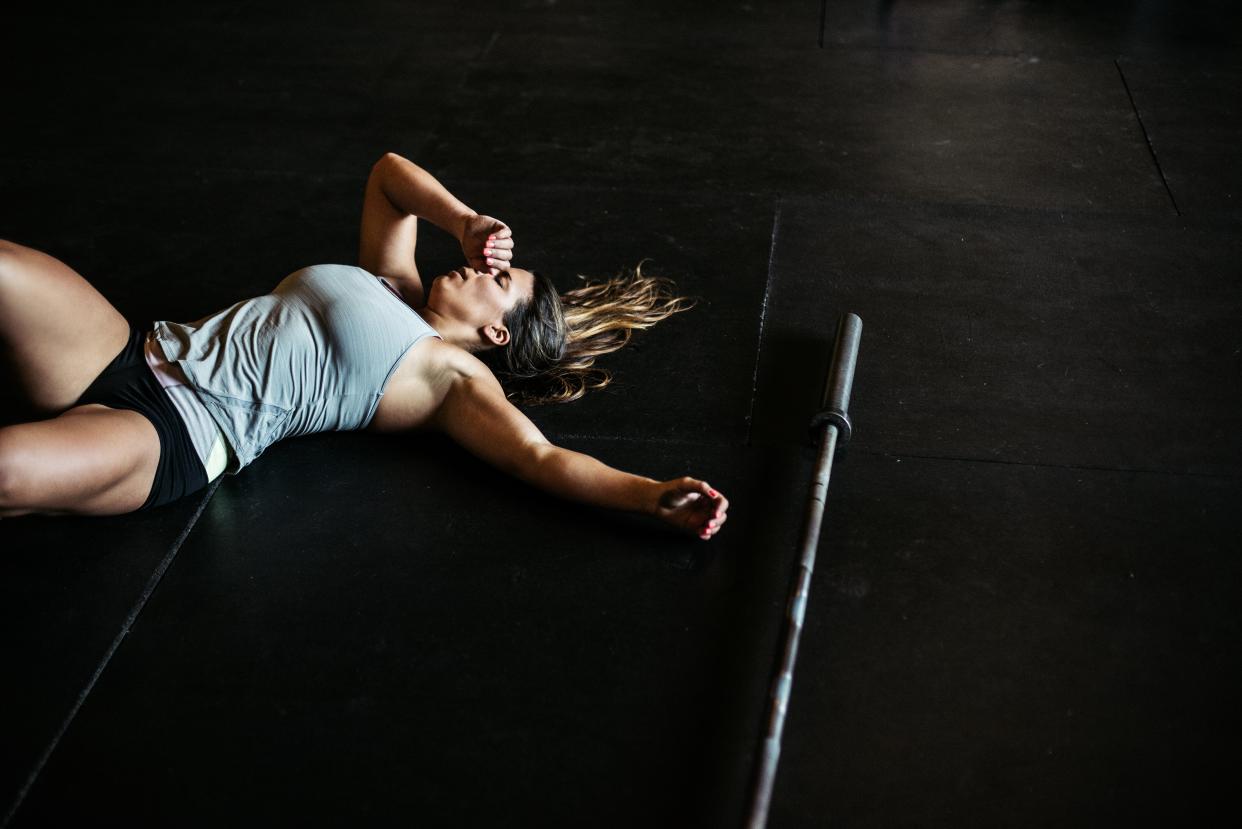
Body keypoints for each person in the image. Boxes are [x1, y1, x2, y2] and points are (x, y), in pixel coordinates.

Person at [0, 153, 729, 540]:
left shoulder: (449, 382)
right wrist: (466, 218)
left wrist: (649, 495)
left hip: (175, 434)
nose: (482, 264)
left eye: (497, 278)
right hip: (133, 349)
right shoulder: (392, 281)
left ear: (496, 333)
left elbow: (543, 458)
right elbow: (388, 176)